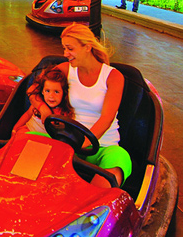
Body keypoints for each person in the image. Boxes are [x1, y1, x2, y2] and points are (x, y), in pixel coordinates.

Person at [29, 23, 132, 188]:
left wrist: (82, 144)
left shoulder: (113, 77)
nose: (65, 54)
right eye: (64, 48)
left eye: (70, 49)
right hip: (67, 140)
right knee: (28, 140)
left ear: (87, 47)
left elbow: (107, 118)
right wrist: (44, 110)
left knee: (121, 158)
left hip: (102, 146)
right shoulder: (66, 70)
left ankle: (94, 198)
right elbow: (33, 90)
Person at [12, 66, 73, 136]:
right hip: (28, 133)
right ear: (42, 91)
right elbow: (27, 115)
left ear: (63, 93)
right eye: (47, 91)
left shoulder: (63, 113)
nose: (51, 96)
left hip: (45, 139)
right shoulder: (37, 104)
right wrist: (15, 129)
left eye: (56, 92)